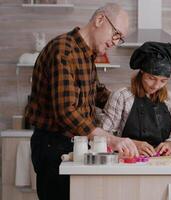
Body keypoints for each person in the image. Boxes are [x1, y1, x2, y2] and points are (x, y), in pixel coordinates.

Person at [24, 3, 139, 200]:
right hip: (54, 147)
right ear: (100, 20)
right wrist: (110, 139)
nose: (115, 42)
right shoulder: (64, 51)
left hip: (73, 144)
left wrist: (133, 104)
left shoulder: (86, 55)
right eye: (116, 34)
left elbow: (96, 93)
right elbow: (66, 112)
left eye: (119, 38)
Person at [101, 41, 171, 157]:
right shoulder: (122, 97)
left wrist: (170, 145)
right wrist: (132, 144)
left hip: (160, 165)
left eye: (163, 81)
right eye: (151, 78)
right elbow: (102, 137)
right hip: (127, 162)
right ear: (142, 72)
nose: (156, 86)